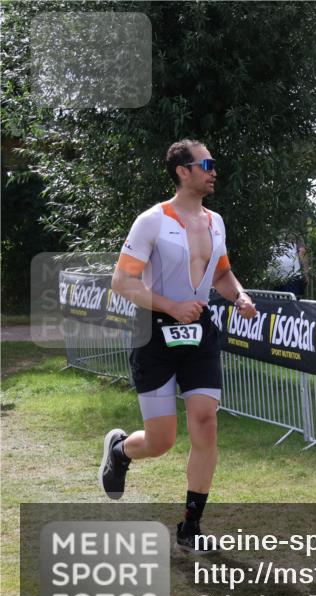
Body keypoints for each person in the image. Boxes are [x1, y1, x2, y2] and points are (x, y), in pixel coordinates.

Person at [102, 139, 257, 551]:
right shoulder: (152, 220)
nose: (213, 171)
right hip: (153, 332)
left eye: (213, 164)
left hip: (199, 330)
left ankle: (191, 525)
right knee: (162, 440)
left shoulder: (216, 222)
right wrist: (171, 306)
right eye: (205, 164)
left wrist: (238, 296)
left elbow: (223, 274)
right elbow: (122, 282)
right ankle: (120, 451)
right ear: (182, 171)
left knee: (206, 420)